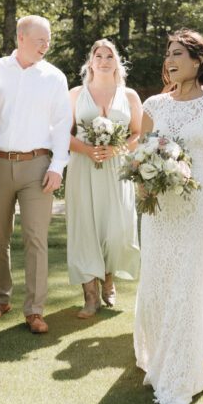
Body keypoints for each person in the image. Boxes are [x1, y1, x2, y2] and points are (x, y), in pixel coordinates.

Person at [133, 29, 203, 404]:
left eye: (178, 53)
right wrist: (144, 188)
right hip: (158, 211)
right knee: (159, 284)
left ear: (199, 61)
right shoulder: (153, 105)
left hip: (196, 210)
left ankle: (180, 374)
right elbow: (140, 155)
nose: (170, 60)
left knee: (187, 287)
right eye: (168, 54)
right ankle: (158, 354)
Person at [0, 15, 71, 334]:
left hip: (38, 165)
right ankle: (0, 297)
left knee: (36, 238)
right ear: (20, 37)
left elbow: (62, 124)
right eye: (39, 40)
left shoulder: (55, 77)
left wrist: (58, 167)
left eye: (48, 41)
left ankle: (34, 310)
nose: (45, 46)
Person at [65, 39, 142, 318]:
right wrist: (86, 149)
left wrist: (116, 149)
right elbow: (63, 133)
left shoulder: (129, 96)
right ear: (91, 62)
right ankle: (90, 296)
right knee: (85, 228)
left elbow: (137, 134)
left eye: (110, 56)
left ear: (117, 62)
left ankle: (108, 275)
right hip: (83, 166)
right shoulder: (76, 94)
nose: (104, 60)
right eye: (99, 55)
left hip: (117, 169)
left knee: (117, 230)